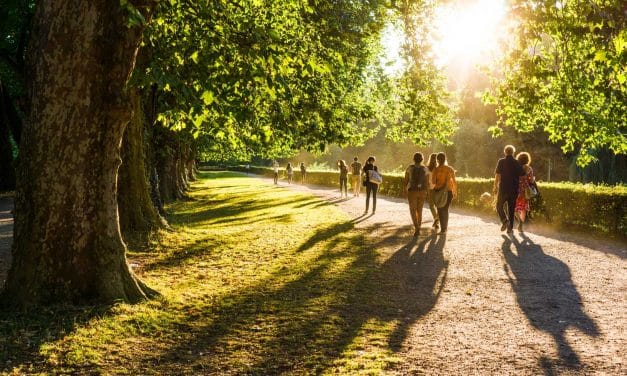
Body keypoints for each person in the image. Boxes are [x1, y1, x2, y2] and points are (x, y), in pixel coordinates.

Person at [493, 145, 525, 234]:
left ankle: (504, 220)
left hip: (503, 188)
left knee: (499, 205)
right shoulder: (517, 162)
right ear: (513, 152)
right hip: (514, 189)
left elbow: (497, 175)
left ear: (505, 152)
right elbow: (522, 175)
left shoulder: (501, 161)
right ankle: (510, 228)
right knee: (511, 209)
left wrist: (495, 186)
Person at [404, 152, 430, 237]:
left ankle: (417, 228)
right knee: (420, 210)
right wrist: (427, 192)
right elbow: (427, 182)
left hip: (412, 192)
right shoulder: (425, 169)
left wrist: (404, 190)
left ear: (413, 159)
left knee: (413, 210)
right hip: (422, 191)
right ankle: (419, 226)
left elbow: (406, 181)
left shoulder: (409, 168)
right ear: (422, 159)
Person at [431, 152, 457, 235]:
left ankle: (443, 229)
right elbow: (454, 182)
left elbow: (433, 182)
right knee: (446, 209)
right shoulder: (450, 169)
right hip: (449, 191)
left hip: (438, 192)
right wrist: (455, 191)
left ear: (437, 160)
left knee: (440, 209)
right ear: (445, 159)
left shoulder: (435, 169)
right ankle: (444, 229)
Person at [515, 152, 535, 231]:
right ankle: (521, 224)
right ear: (527, 159)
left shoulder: (516, 168)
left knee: (514, 207)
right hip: (525, 190)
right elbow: (531, 181)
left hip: (516, 189)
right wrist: (533, 179)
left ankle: (519, 221)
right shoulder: (529, 168)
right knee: (523, 208)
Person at [426, 153, 440, 230]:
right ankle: (436, 220)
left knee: (431, 205)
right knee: (438, 205)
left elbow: (426, 180)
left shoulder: (427, 168)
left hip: (430, 188)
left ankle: (436, 219)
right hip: (438, 188)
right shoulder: (439, 168)